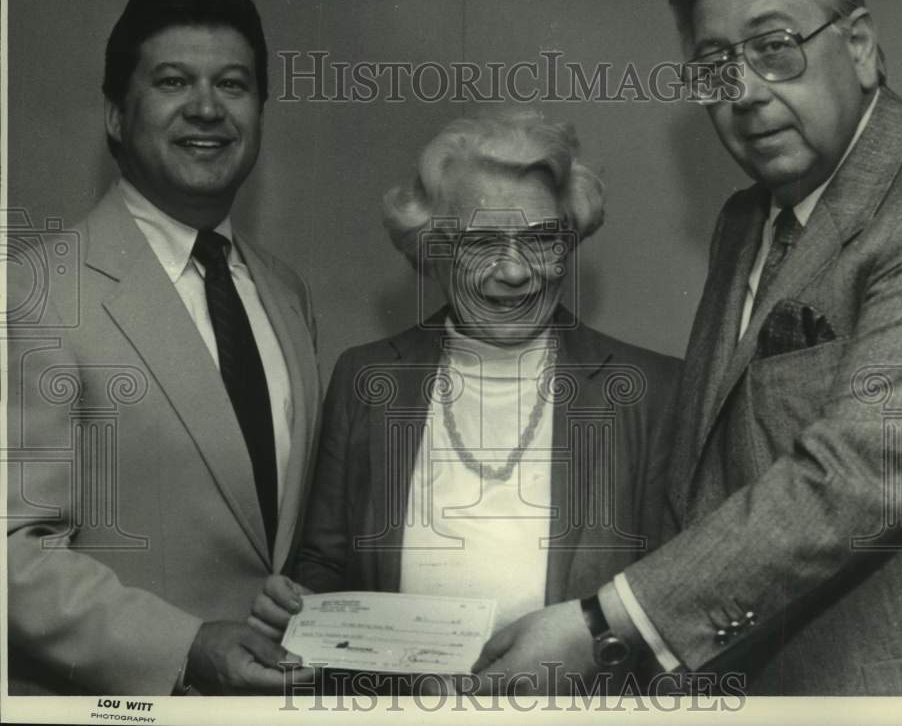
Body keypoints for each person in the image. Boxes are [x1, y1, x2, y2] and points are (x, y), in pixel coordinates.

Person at [471, 0, 902, 695]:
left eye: (775, 45)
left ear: (860, 46)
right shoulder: (745, 220)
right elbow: (708, 475)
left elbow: (856, 478)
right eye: (715, 67)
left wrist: (604, 625)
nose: (743, 91)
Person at [249, 111, 681, 685]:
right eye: (481, 241)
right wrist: (298, 607)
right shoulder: (367, 381)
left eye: (541, 239)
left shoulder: (649, 393)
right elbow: (326, 568)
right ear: (433, 249)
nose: (514, 271)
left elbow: (675, 599)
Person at [5, 0, 322, 694]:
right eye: (174, 82)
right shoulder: (33, 294)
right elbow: (11, 553)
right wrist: (186, 648)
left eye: (234, 85)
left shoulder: (285, 292)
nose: (208, 108)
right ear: (116, 114)